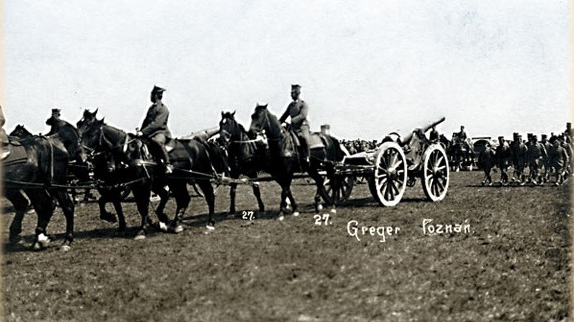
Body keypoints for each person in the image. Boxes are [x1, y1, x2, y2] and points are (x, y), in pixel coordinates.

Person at [137, 85, 173, 174]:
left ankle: (168, 164)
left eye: (152, 94)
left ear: (156, 95)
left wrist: (143, 132)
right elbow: (146, 122)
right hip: (150, 133)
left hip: (161, 132)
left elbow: (157, 124)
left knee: (158, 142)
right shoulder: (151, 108)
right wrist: (139, 131)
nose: (151, 96)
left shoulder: (163, 109)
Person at [279, 84, 312, 164]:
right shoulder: (291, 105)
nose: (291, 95)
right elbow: (284, 115)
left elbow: (303, 115)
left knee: (304, 138)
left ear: (297, 93)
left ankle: (307, 157)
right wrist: (277, 123)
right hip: (293, 127)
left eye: (293, 93)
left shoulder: (303, 104)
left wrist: (293, 120)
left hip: (302, 126)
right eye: (291, 93)